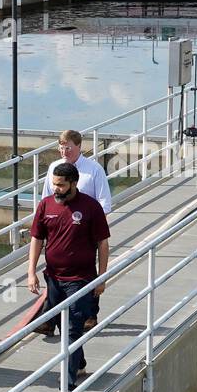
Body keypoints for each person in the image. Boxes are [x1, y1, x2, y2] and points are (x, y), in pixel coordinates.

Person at [26, 162, 109, 388]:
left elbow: (103, 243)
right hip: (53, 279)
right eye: (54, 184)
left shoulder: (91, 207)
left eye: (61, 185)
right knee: (64, 328)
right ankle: (79, 362)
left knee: (72, 327)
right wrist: (31, 271)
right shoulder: (45, 206)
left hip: (81, 281)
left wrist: (102, 277)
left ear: (73, 183)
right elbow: (37, 239)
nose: (56, 189)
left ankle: (68, 384)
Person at [31, 129, 112, 336]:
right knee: (55, 270)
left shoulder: (93, 169)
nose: (64, 150)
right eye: (61, 146)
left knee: (85, 269)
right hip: (58, 224)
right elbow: (47, 198)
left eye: (68, 147)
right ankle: (50, 319)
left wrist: (88, 219)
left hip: (86, 227)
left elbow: (105, 202)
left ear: (78, 147)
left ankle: (90, 313)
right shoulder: (54, 168)